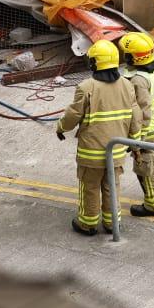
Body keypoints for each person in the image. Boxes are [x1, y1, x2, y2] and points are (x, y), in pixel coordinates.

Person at [55, 39, 142, 235]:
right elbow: (136, 116)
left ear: (94, 63)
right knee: (112, 186)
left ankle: (88, 224)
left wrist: (60, 127)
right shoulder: (127, 86)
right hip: (117, 152)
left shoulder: (86, 87)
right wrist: (135, 144)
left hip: (91, 153)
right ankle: (112, 224)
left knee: (90, 187)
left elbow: (73, 115)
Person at [119, 31, 154, 216]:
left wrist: (138, 139)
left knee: (147, 166)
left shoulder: (138, 80)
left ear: (133, 57)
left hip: (150, 130)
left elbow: (142, 112)